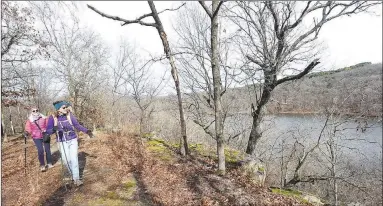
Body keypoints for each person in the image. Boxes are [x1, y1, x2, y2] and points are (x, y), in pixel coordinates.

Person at [45, 100, 93, 186]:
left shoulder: (69, 115)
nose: (66, 108)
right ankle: (72, 175)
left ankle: (76, 179)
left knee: (74, 159)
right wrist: (52, 130)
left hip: (72, 139)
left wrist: (87, 131)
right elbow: (48, 130)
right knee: (66, 160)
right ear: (58, 109)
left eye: (66, 107)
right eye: (63, 107)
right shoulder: (52, 118)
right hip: (62, 141)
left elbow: (77, 125)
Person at [25, 106, 53, 172]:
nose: (35, 112)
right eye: (33, 111)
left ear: (38, 110)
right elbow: (28, 128)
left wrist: (47, 131)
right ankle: (42, 165)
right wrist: (26, 132)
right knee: (40, 151)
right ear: (31, 112)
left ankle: (49, 163)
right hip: (36, 137)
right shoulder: (30, 120)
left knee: (47, 150)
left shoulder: (44, 118)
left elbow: (48, 126)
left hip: (45, 135)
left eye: (36, 110)